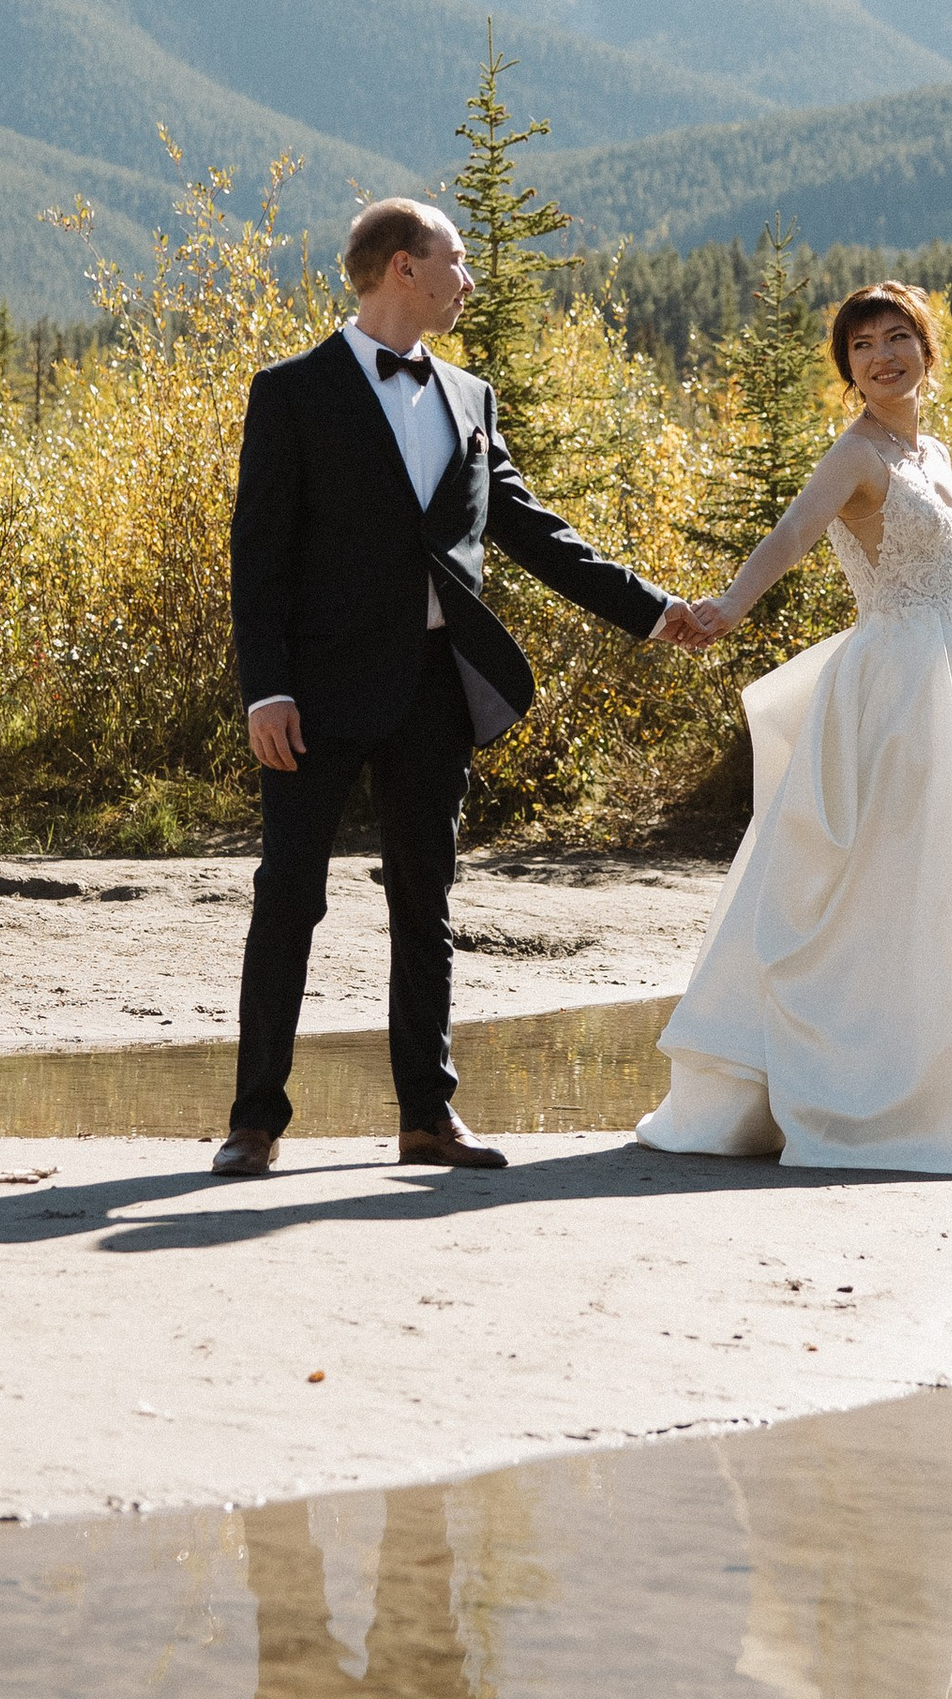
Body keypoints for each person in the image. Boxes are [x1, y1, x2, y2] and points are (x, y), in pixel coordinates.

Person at [220, 197, 705, 1178]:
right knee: (288, 898)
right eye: (455, 257)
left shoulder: (471, 397)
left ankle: (425, 1120)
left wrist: (655, 611)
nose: (468, 275)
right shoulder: (291, 393)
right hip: (312, 696)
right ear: (402, 267)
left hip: (437, 688)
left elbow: (533, 532)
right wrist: (265, 689)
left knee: (426, 902)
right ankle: (254, 1122)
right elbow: (257, 557)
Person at [637, 280, 952, 1173]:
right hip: (891, 686)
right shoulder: (855, 455)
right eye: (862, 347)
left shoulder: (929, 451)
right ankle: (864, 1094)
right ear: (849, 370)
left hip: (951, 676)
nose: (881, 356)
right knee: (887, 874)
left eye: (897, 338)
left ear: (927, 351)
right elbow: (790, 536)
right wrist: (728, 607)